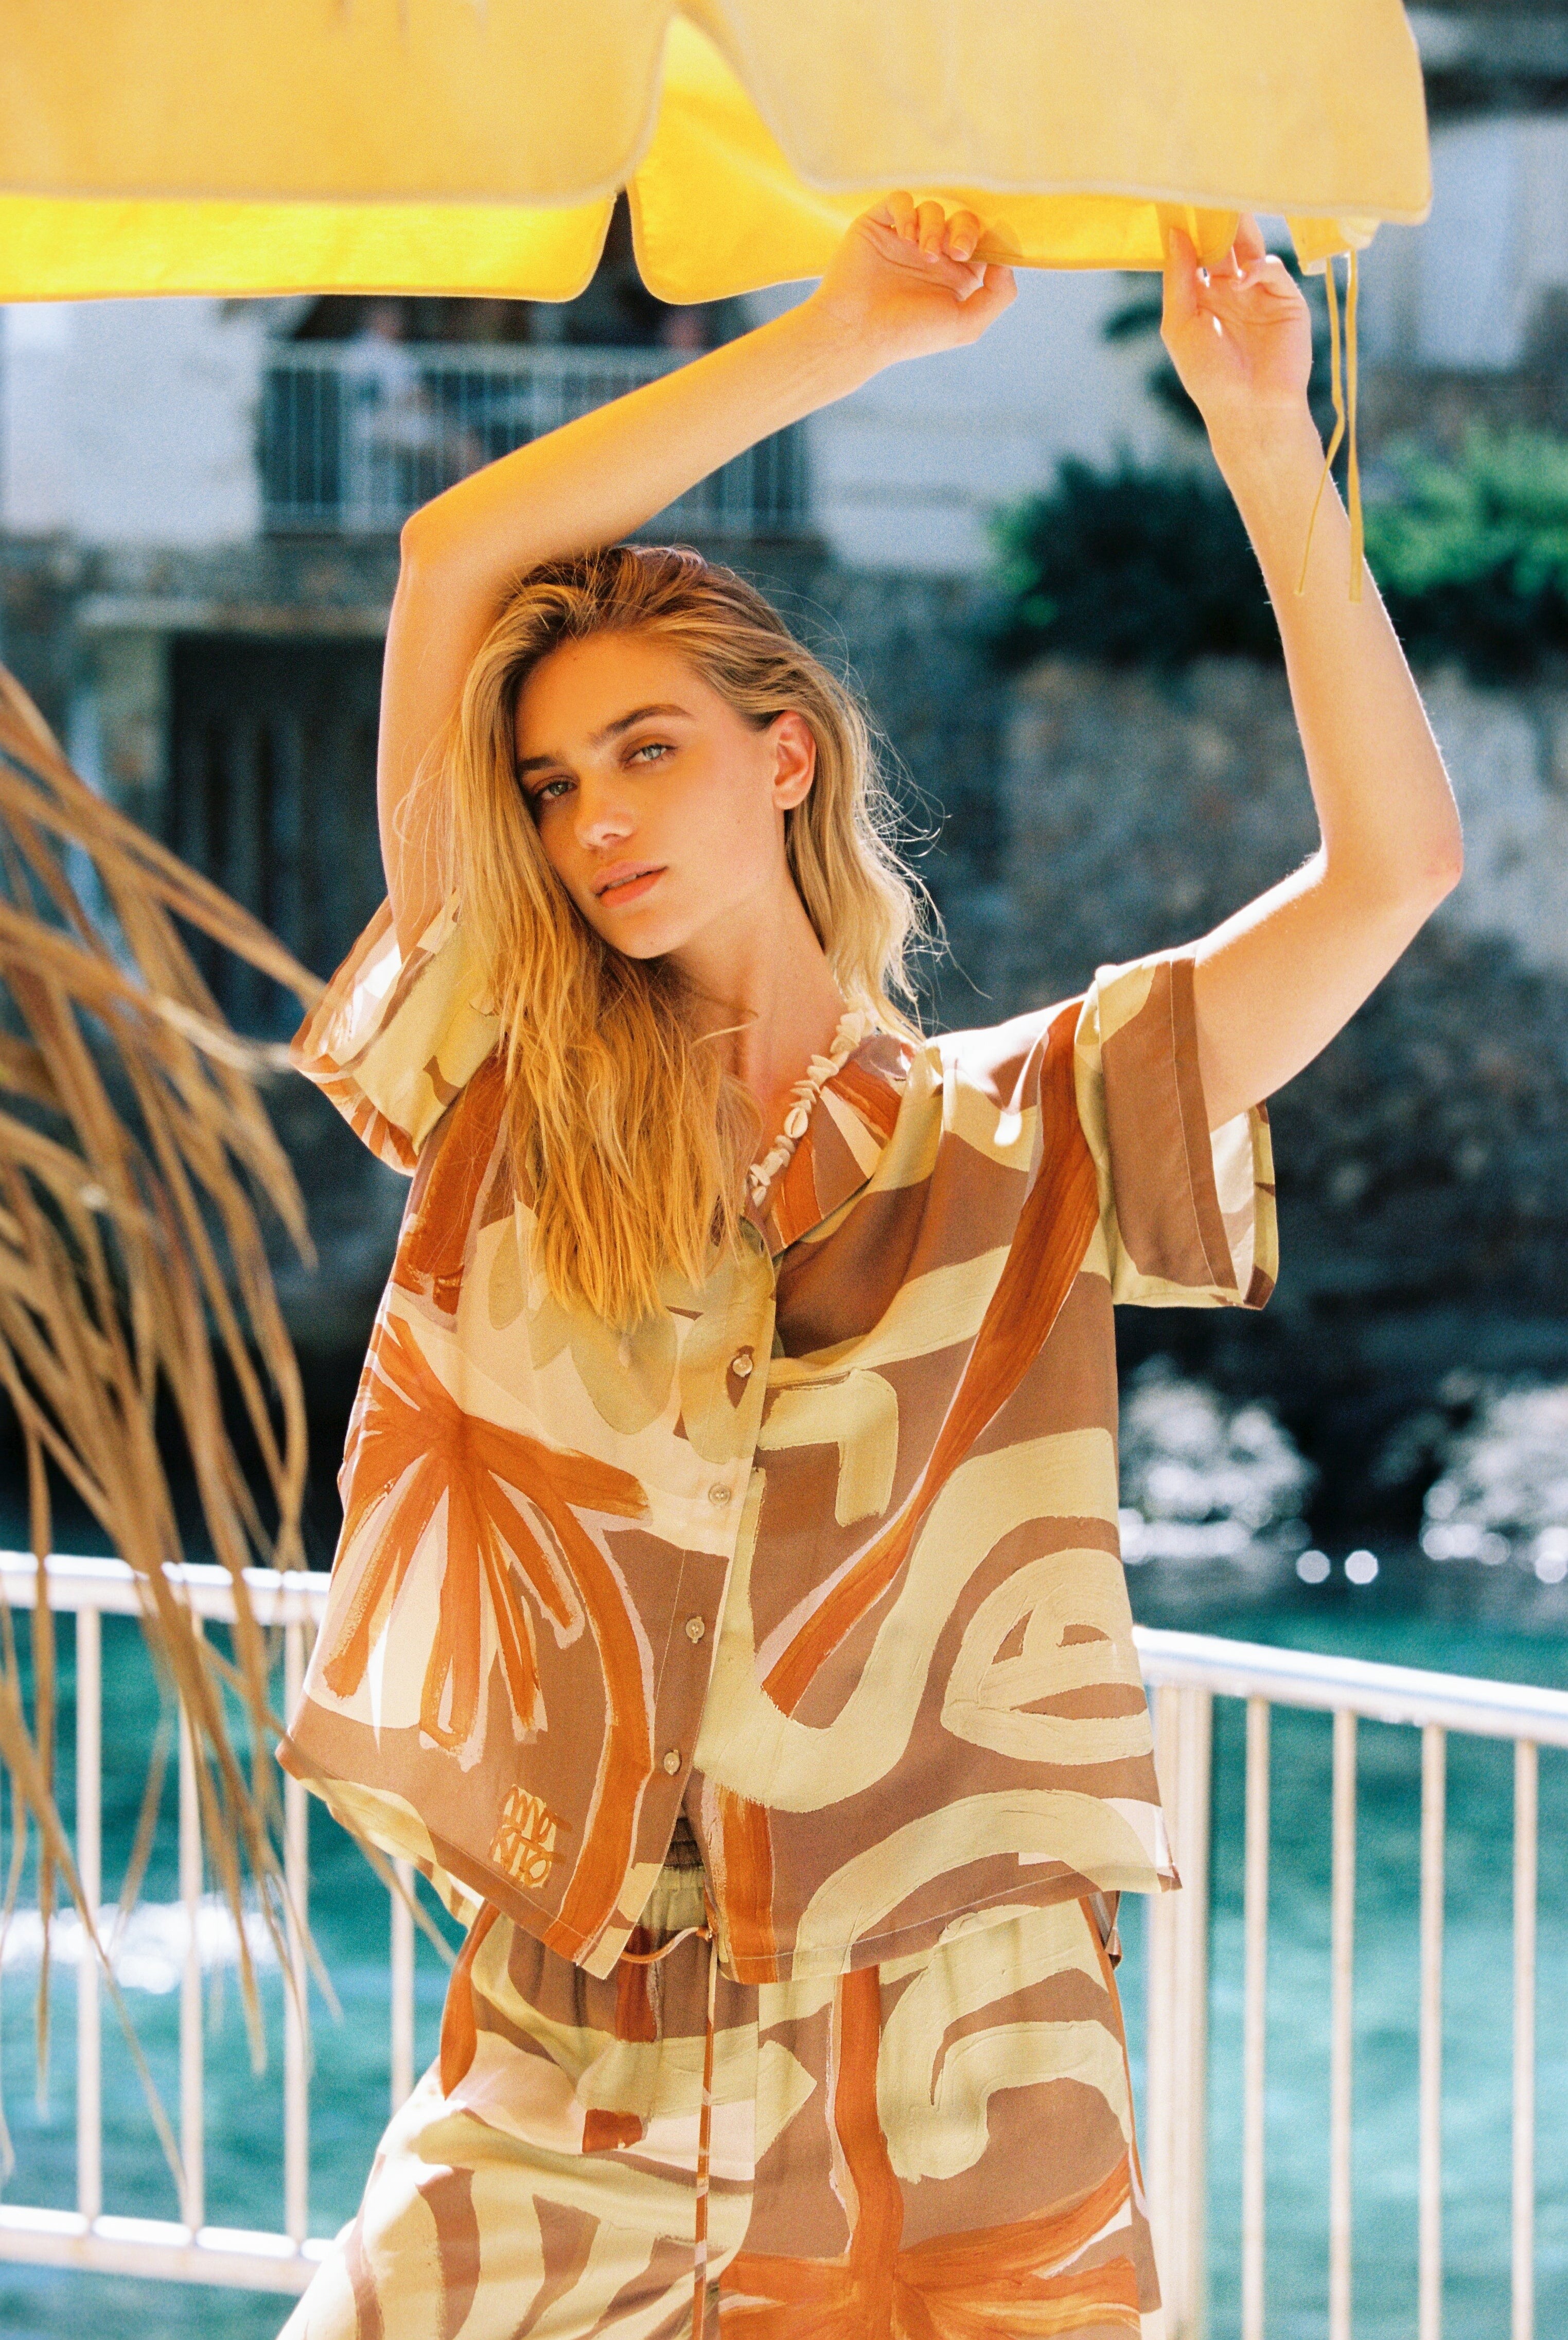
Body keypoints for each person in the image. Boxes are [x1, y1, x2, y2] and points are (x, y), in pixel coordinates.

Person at [276, 196, 1462, 2340]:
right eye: (552, 782)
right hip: (584, 2021)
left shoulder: (1032, 1132)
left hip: (959, 2058)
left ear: (787, 751)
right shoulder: (514, 1087)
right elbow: (456, 556)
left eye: (649, 749)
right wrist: (847, 335)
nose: (592, 819)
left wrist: (1266, 439)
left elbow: (1394, 869)